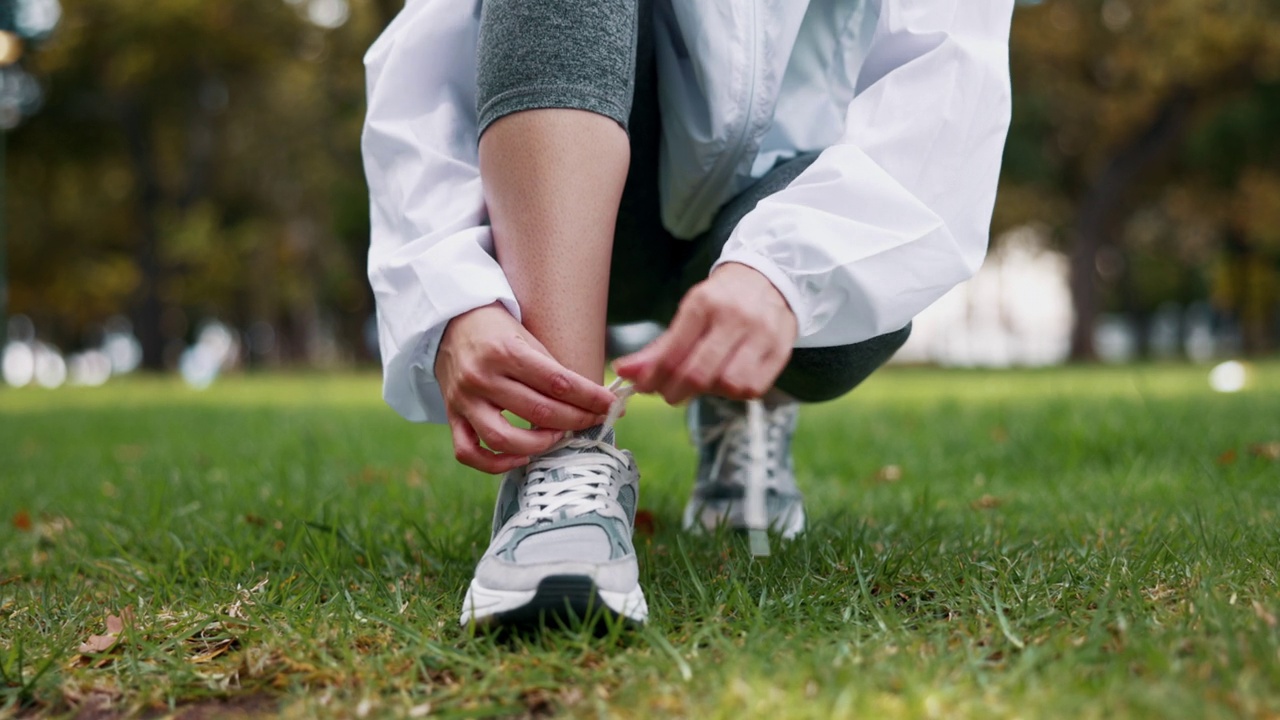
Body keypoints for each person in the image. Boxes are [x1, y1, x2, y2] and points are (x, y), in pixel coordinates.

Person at [362, 0, 1013, 628]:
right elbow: (424, 71)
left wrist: (781, 275)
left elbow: (949, 90)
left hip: (783, 192)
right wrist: (453, 296)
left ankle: (741, 394)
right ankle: (564, 461)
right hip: (573, 201)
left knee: (839, 332)